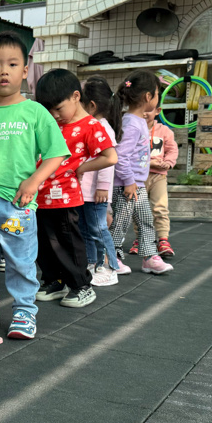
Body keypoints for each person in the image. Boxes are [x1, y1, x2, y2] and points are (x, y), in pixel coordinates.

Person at [0, 31, 68, 340]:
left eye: (12, 64)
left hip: (17, 201)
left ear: (24, 71)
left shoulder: (35, 112)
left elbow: (56, 153)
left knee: (20, 258)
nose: (3, 71)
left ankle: (24, 310)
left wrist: (33, 182)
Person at [34, 69, 118, 307]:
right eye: (49, 110)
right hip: (40, 194)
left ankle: (82, 286)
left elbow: (110, 157)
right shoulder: (54, 124)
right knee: (44, 242)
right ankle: (55, 281)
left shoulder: (91, 126)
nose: (54, 115)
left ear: (75, 96)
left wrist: (82, 168)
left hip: (66, 196)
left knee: (68, 242)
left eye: (58, 108)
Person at [110, 71, 173, 275]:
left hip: (136, 184)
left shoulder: (138, 122)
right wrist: (129, 182)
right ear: (148, 97)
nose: (157, 98)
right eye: (157, 94)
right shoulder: (131, 123)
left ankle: (149, 256)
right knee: (120, 223)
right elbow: (120, 156)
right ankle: (112, 257)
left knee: (146, 219)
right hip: (126, 185)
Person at [78, 76, 125, 285]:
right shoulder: (90, 125)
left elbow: (108, 160)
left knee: (98, 229)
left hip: (96, 193)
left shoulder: (102, 127)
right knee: (87, 230)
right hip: (85, 192)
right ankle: (93, 263)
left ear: (91, 105)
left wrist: (103, 188)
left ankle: (110, 267)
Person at [128, 105, 178, 258]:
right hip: (138, 177)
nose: (144, 113)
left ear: (158, 111)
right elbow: (129, 153)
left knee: (160, 207)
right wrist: (150, 163)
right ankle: (140, 239)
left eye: (148, 109)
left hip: (158, 177)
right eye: (141, 109)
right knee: (138, 209)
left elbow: (172, 149)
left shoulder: (164, 131)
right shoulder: (133, 129)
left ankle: (163, 239)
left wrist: (168, 162)